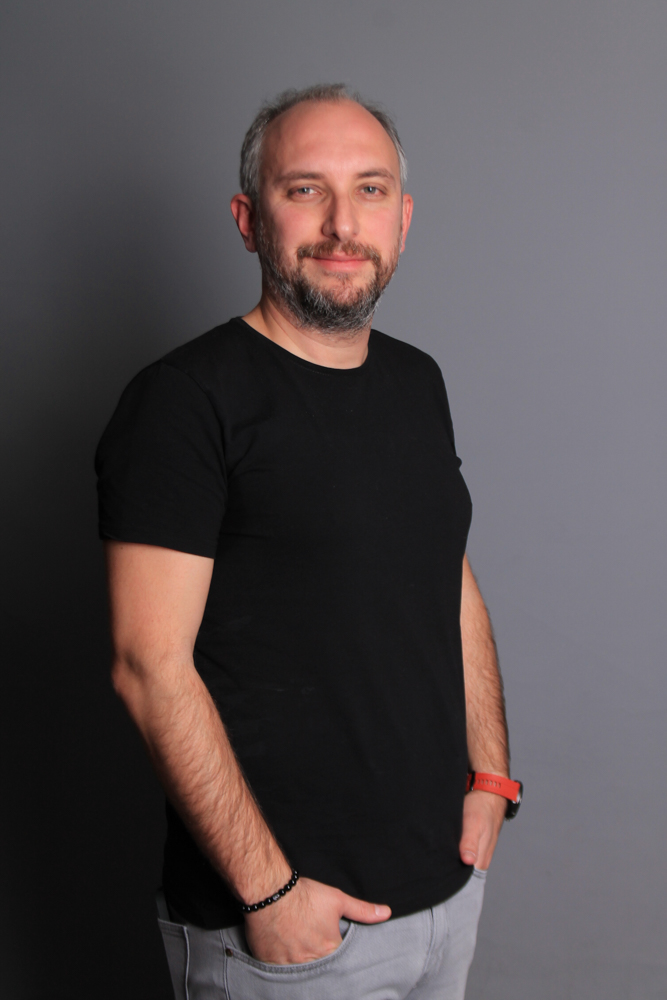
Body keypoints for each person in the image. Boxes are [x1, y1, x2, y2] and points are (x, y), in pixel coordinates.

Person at [96, 83, 521, 1000]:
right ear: (249, 220)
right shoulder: (183, 402)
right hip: (288, 932)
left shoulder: (416, 381)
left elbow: (446, 577)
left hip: (445, 894)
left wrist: (491, 778)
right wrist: (271, 893)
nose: (342, 224)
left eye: (369, 190)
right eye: (304, 190)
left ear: (402, 219)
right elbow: (146, 666)